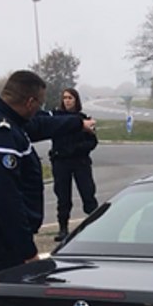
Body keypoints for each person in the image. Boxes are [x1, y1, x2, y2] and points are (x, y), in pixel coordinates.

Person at [0, 70, 92, 278]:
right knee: (2, 295)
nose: (39, 109)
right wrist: (27, 251)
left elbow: (39, 125)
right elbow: (7, 201)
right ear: (30, 102)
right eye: (39, 104)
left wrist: (78, 123)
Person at [49, 88, 99, 242]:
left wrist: (78, 149)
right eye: (65, 98)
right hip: (61, 162)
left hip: (80, 162)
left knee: (88, 194)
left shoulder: (83, 119)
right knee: (63, 197)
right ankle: (63, 228)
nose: (67, 101)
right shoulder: (57, 119)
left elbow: (93, 141)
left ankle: (95, 226)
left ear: (76, 100)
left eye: (70, 98)